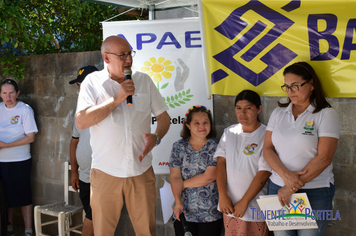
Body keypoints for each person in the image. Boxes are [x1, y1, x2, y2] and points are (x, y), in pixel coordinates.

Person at [75, 36, 170, 236]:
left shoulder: (143, 80)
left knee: (147, 232)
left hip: (141, 171)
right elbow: (81, 121)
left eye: (129, 54)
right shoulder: (92, 82)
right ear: (106, 58)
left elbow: (164, 118)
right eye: (122, 55)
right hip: (106, 173)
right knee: (102, 232)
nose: (128, 60)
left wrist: (157, 137)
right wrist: (116, 99)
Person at [263, 62, 340, 236]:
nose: (290, 92)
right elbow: (267, 149)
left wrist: (289, 186)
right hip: (279, 188)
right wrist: (286, 177)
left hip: (314, 191)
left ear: (311, 85)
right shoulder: (278, 113)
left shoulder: (326, 114)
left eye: (296, 86)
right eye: (287, 87)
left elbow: (324, 158)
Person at [214, 90, 271, 236]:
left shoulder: (267, 135)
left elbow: (264, 172)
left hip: (254, 208)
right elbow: (220, 164)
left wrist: (244, 202)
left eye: (248, 108)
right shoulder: (229, 132)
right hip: (230, 206)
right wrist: (223, 195)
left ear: (259, 109)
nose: (242, 113)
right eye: (238, 108)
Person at [169, 105, 223, 236]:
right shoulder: (178, 147)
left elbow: (209, 176)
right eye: (197, 123)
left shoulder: (216, 145)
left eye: (206, 122)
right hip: (184, 212)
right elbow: (175, 176)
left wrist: (181, 185)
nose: (202, 126)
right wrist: (177, 202)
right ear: (188, 125)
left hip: (211, 214)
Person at [0, 79, 38, 236]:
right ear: (0, 94)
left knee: (24, 194)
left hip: (20, 159)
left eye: (11, 93)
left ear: (17, 94)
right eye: (4, 93)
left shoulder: (25, 110)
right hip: (2, 161)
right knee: (5, 196)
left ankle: (28, 230)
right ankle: (8, 228)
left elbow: (30, 137)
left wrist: (5, 145)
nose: (8, 97)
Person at [69, 65, 98, 236]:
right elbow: (74, 142)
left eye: (83, 85)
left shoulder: (108, 106)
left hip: (102, 177)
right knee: (95, 218)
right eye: (78, 86)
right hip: (84, 177)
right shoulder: (79, 110)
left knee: (92, 218)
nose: (80, 89)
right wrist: (74, 172)